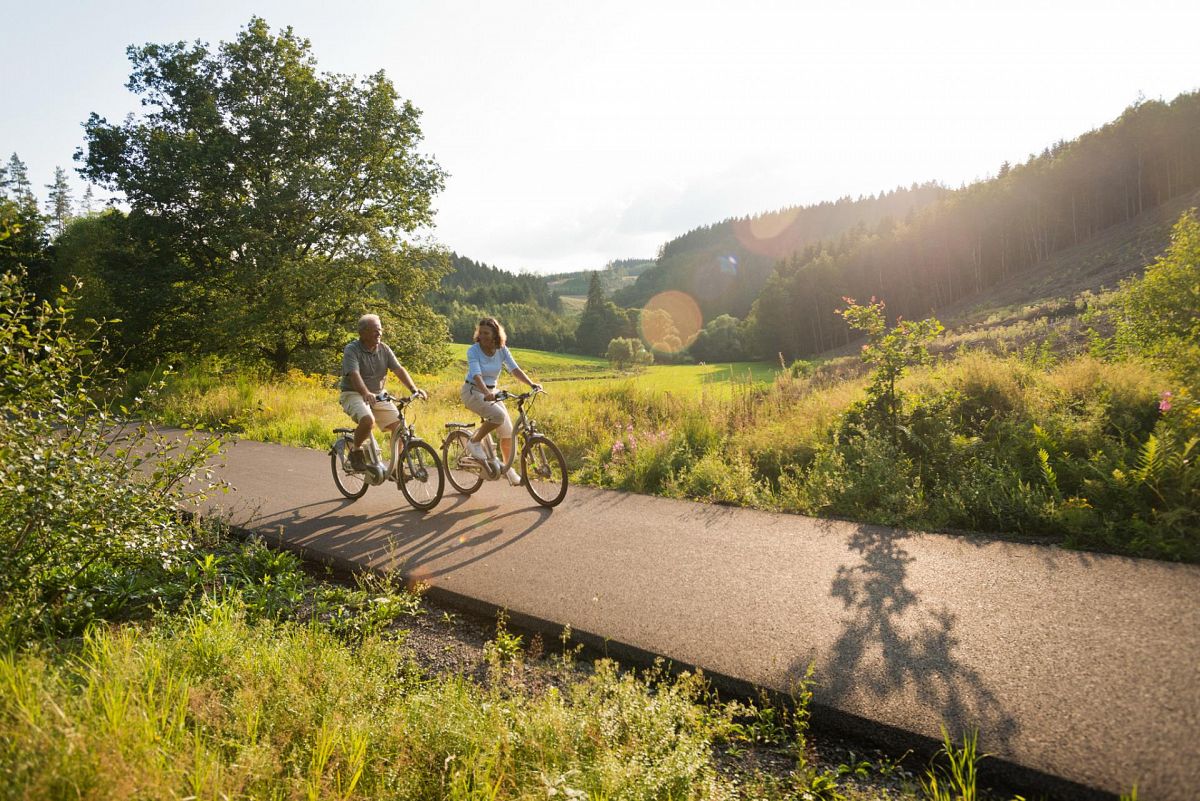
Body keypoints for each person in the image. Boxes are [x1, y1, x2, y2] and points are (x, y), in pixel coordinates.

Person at [339, 314, 426, 477]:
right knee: (367, 420)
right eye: (375, 330)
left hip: (378, 395)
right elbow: (354, 374)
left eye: (380, 329)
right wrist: (365, 393)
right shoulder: (352, 349)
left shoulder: (384, 349)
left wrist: (414, 389)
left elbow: (399, 370)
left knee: (400, 427)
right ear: (363, 333)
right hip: (353, 393)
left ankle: (395, 469)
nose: (379, 333)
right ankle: (356, 451)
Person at [460, 317, 542, 485]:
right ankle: (473, 442)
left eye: (486, 333)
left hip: (492, 392)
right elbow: (477, 374)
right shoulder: (473, 350)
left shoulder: (502, 349)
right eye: (480, 332)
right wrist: (485, 393)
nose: (482, 336)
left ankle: (508, 470)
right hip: (473, 391)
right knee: (497, 416)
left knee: (508, 433)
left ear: (495, 334)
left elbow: (515, 369)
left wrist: (531, 384)